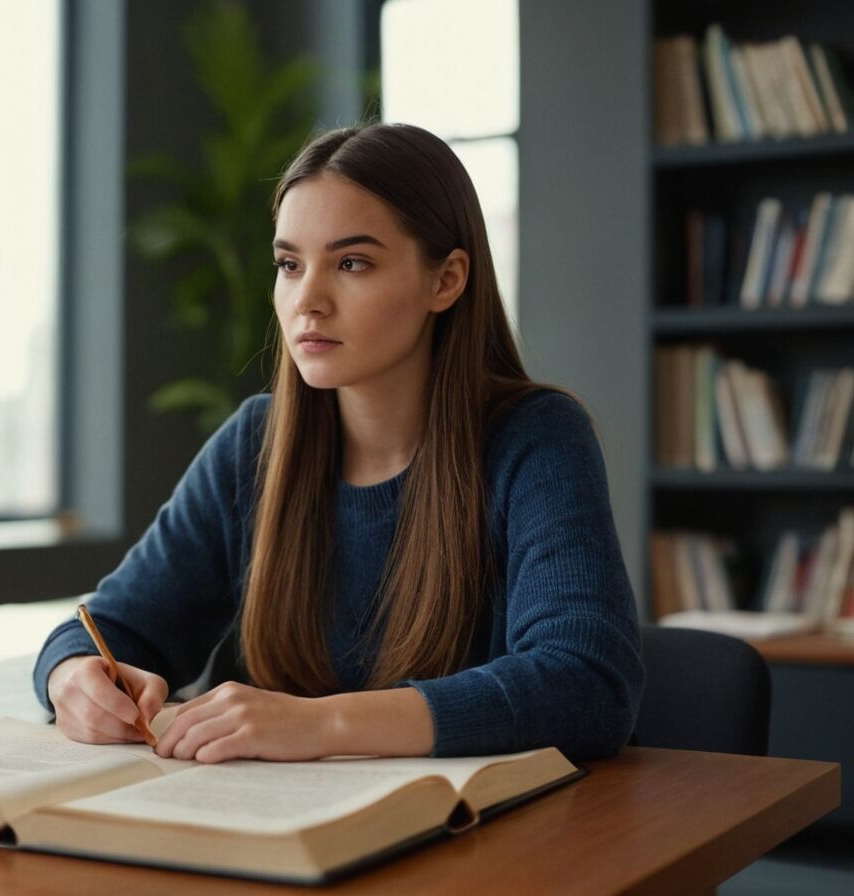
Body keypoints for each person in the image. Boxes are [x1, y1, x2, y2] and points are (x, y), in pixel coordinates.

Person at [33, 122, 643, 763]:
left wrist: (322, 726)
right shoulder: (254, 444)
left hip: (476, 844)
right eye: (289, 265)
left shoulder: (535, 439)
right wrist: (72, 676)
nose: (308, 301)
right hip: (265, 834)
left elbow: (587, 685)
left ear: (447, 280)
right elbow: (110, 630)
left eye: (352, 263)